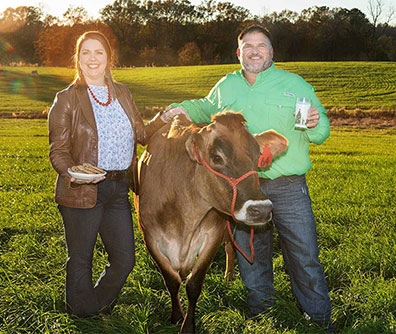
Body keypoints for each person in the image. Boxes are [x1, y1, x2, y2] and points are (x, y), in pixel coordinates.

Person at [162, 25, 333, 331]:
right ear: (239, 53)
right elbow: (204, 107)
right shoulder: (227, 86)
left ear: (271, 51)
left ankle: (317, 318)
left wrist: (315, 122)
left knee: (304, 254)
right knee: (252, 257)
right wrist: (181, 108)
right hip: (239, 187)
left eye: (261, 45)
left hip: (287, 185)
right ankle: (262, 314)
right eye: (248, 46)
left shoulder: (294, 85)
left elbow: (321, 134)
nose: (255, 51)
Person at [48, 31, 164, 317]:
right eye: (85, 52)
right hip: (83, 189)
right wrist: (72, 171)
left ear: (108, 58)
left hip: (119, 189)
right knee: (81, 259)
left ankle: (94, 306)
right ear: (78, 59)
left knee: (124, 259)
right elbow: (58, 150)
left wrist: (163, 119)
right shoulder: (67, 99)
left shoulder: (122, 93)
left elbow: (141, 134)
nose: (92, 58)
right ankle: (82, 317)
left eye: (98, 52)